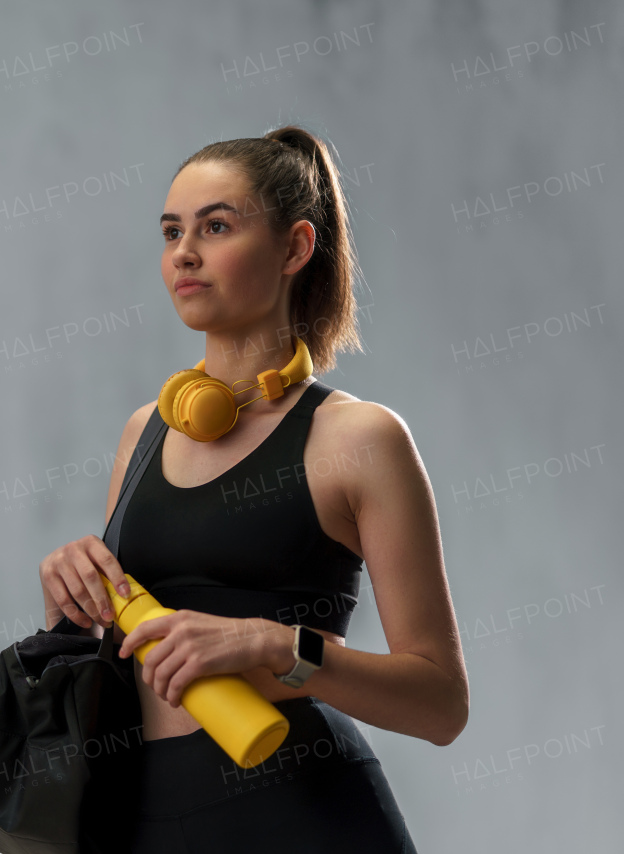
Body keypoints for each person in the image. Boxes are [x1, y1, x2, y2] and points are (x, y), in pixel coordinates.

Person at [37, 125, 468, 852]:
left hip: (297, 815)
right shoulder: (144, 433)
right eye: (172, 231)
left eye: (216, 226)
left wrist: (273, 646)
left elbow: (441, 705)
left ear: (296, 248)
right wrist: (68, 609)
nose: (184, 252)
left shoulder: (359, 440)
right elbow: (119, 660)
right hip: (142, 815)